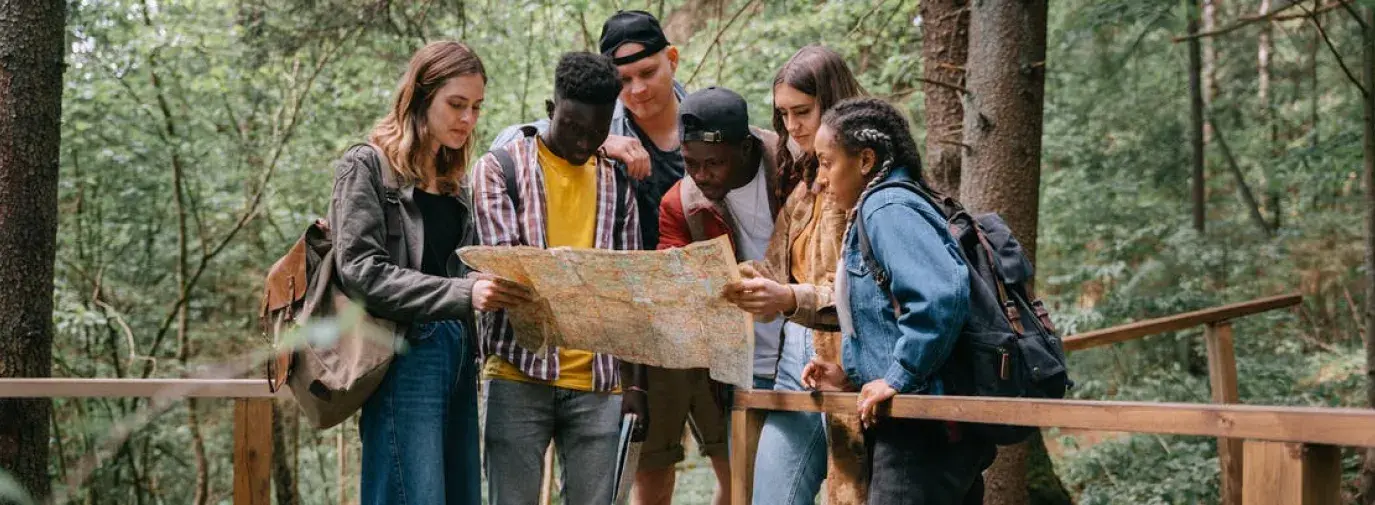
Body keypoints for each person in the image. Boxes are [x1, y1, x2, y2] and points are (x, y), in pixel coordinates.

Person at [332, 41, 533, 505]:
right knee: (411, 493)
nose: (468, 119)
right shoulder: (366, 165)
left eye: (477, 107)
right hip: (405, 352)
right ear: (421, 97)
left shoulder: (453, 179)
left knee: (461, 494)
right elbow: (361, 270)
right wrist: (464, 294)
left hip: (461, 349)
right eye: (456, 104)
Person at [800, 97, 996, 505]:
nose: (820, 179)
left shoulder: (887, 206)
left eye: (826, 162)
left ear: (866, 159)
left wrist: (897, 377)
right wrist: (851, 376)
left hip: (920, 433)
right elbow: (889, 316)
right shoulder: (892, 204)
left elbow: (938, 298)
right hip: (931, 427)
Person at [472, 51, 641, 505]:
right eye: (572, 126)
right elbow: (509, 276)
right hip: (517, 373)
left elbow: (625, 293)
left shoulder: (618, 184)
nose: (584, 141)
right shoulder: (499, 170)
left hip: (598, 382)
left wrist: (634, 383)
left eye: (597, 131)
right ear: (551, 109)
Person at [724, 45, 865, 505]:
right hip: (793, 364)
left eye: (802, 111)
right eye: (783, 114)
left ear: (833, 102)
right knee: (770, 497)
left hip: (851, 367)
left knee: (855, 496)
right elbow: (775, 268)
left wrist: (787, 298)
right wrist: (727, 278)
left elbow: (857, 296)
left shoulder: (866, 181)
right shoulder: (804, 186)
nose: (791, 126)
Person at [654, 86, 789, 505]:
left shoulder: (794, 168)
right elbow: (673, 282)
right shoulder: (681, 204)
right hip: (745, 368)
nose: (702, 175)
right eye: (690, 163)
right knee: (743, 491)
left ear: (745, 147)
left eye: (715, 163)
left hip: (812, 359)